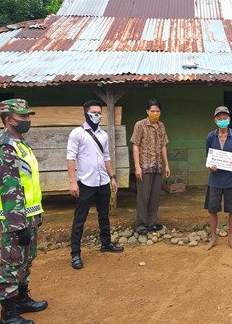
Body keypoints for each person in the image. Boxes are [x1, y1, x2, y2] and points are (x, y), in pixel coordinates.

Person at [0, 99, 48, 324]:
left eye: (27, 116)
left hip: (28, 216)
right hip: (15, 220)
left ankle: (22, 299)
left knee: (26, 259)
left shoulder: (20, 144)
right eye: (22, 117)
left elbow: (28, 184)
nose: (27, 120)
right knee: (12, 264)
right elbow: (9, 189)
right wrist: (19, 225)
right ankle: (8, 314)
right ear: (8, 120)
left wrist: (34, 216)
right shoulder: (6, 148)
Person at [67, 100, 123, 270]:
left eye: (99, 113)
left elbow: (106, 157)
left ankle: (106, 243)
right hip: (85, 182)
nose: (97, 115)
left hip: (102, 182)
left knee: (104, 214)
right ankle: (75, 253)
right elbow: (71, 157)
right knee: (80, 219)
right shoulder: (77, 133)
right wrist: (72, 182)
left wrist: (112, 177)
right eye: (94, 112)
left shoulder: (103, 135)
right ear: (86, 113)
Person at [205, 106, 232, 250]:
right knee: (212, 210)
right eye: (219, 118)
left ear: (229, 119)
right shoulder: (211, 136)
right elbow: (208, 157)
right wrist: (210, 166)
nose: (222, 121)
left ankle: (231, 239)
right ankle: (213, 238)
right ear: (215, 120)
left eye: (225, 118)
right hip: (215, 179)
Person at [131, 99, 170, 235]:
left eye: (157, 111)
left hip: (157, 166)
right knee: (143, 196)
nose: (155, 113)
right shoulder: (140, 125)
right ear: (147, 111)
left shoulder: (161, 126)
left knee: (155, 196)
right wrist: (137, 166)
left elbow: (163, 146)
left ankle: (151, 223)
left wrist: (166, 165)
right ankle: (141, 224)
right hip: (144, 166)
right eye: (152, 111)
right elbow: (135, 145)